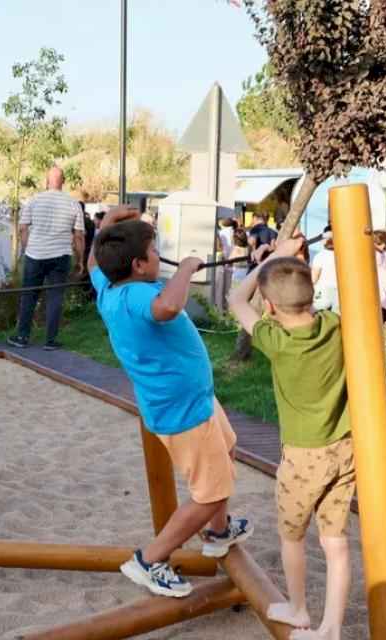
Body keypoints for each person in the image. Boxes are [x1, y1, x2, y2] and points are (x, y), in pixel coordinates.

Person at [90, 207, 251, 598]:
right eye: (155, 251)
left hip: (196, 400)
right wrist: (188, 268)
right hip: (182, 410)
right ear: (139, 264)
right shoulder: (135, 297)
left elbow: (94, 259)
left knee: (226, 450)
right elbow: (168, 308)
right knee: (209, 491)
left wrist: (108, 223)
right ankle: (149, 558)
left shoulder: (107, 286)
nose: (160, 256)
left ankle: (217, 530)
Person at [227, 234, 353, 640]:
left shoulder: (275, 339)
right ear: (312, 294)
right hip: (346, 448)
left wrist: (274, 258)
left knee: (292, 535)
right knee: (335, 541)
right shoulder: (335, 326)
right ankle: (331, 626)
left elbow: (234, 299)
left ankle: (299, 609)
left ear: (270, 307)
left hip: (304, 454)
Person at [8, 167, 85, 351]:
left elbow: (23, 228)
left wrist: (27, 248)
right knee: (55, 297)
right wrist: (80, 260)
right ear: (63, 181)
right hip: (60, 255)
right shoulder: (73, 203)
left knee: (29, 295)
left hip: (35, 254)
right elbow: (79, 235)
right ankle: (50, 340)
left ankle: (22, 336)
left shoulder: (34, 200)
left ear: (46, 181)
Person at [311, 228, 339, 313]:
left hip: (323, 292)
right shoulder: (341, 255)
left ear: (324, 241)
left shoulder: (320, 256)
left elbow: (314, 278)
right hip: (339, 292)